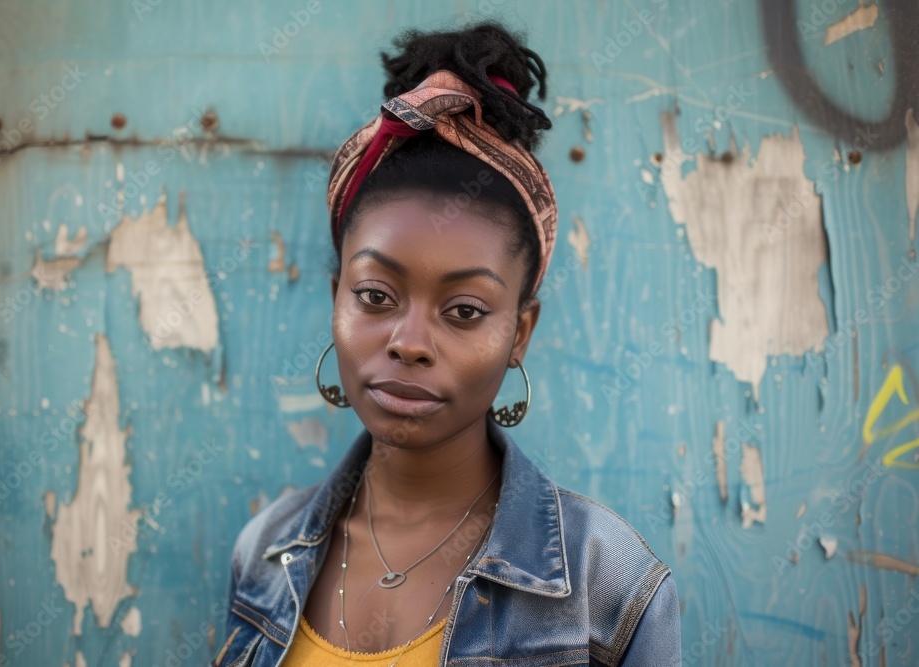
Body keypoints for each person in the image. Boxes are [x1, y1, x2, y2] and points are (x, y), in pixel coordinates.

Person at [211, 22, 681, 667]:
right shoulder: (266, 549)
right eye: (375, 296)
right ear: (335, 299)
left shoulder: (608, 582)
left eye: (464, 310)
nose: (409, 343)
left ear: (519, 333)